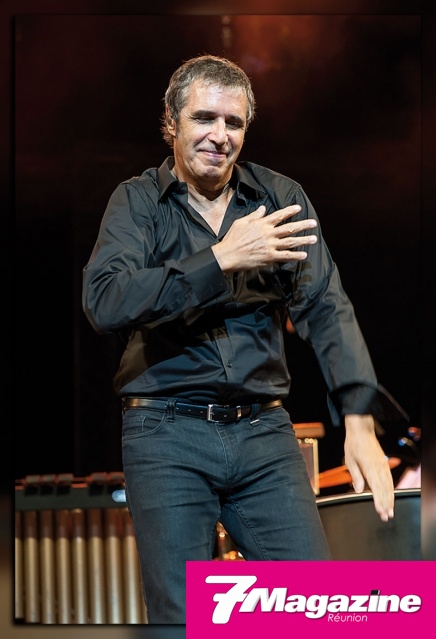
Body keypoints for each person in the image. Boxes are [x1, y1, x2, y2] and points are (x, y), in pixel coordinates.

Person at [82, 54, 408, 624]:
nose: (220, 135)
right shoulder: (137, 202)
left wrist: (358, 421)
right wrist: (220, 259)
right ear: (171, 122)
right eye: (204, 118)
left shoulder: (279, 198)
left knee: (312, 609)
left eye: (233, 123)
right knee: (183, 618)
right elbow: (105, 301)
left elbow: (326, 306)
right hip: (165, 433)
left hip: (263, 434)